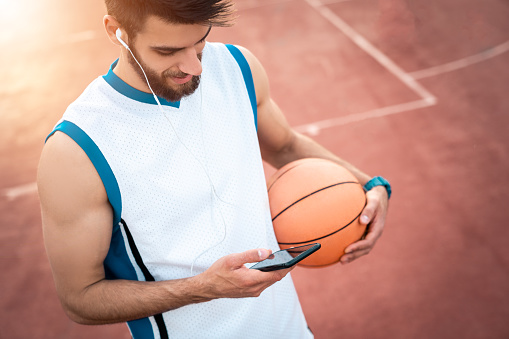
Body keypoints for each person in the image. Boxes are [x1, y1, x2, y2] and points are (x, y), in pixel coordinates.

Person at [37, 0, 391, 338]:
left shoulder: (238, 68)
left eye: (200, 42)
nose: (195, 68)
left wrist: (371, 187)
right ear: (117, 31)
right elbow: (80, 299)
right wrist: (204, 288)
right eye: (168, 51)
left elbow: (285, 146)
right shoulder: (77, 150)